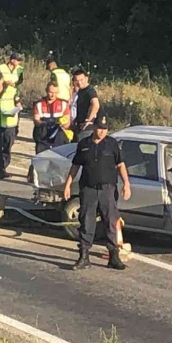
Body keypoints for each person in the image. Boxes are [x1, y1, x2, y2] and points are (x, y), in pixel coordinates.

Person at [63, 115, 131, 271]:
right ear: (94, 128)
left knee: (111, 221)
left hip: (107, 189)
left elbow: (120, 165)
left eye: (105, 129)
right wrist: (67, 185)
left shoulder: (112, 144)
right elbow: (75, 166)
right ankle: (84, 256)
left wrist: (126, 184)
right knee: (87, 221)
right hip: (88, 188)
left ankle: (114, 256)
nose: (102, 132)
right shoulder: (84, 144)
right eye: (100, 128)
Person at [32, 82, 71, 153]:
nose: (53, 95)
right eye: (51, 92)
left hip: (59, 137)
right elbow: (36, 120)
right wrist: (43, 123)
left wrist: (63, 122)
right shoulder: (38, 104)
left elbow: (67, 123)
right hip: (43, 136)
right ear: (46, 90)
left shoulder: (64, 104)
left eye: (56, 92)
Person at [71, 69, 100, 136]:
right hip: (79, 125)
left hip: (87, 128)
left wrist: (88, 120)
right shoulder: (80, 91)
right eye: (76, 81)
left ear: (86, 78)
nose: (79, 83)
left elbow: (95, 105)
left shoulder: (90, 91)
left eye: (81, 80)